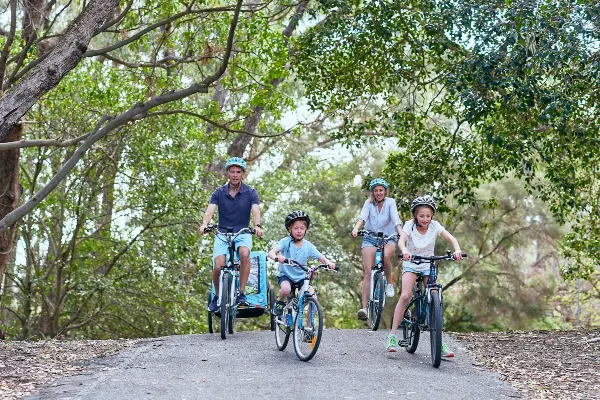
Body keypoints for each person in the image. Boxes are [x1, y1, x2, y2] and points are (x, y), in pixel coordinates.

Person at [385, 195, 463, 358]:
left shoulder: (435, 226)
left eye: (428, 216)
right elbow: (402, 241)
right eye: (422, 216)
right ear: (415, 215)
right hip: (411, 262)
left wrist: (456, 250)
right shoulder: (409, 226)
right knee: (406, 295)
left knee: (435, 298)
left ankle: (440, 343)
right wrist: (405, 251)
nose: (425, 219)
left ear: (432, 215)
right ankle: (392, 336)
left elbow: (451, 238)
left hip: (428, 263)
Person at [200, 157, 263, 312]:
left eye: (238, 172)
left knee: (244, 255)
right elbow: (210, 211)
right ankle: (217, 296)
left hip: (242, 232)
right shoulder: (218, 192)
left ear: (242, 174)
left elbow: (255, 211)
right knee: (218, 265)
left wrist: (257, 226)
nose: (235, 175)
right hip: (222, 232)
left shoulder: (250, 192)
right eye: (232, 172)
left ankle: (241, 293)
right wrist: (204, 224)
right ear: (227, 173)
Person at [351, 178, 403, 320]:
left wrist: (401, 232)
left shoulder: (390, 202)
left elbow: (396, 219)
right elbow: (362, 218)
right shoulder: (368, 204)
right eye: (376, 191)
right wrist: (356, 228)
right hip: (370, 237)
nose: (378, 193)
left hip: (389, 237)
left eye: (381, 190)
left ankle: (389, 284)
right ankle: (365, 309)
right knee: (368, 272)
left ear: (385, 191)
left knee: (385, 255)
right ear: (372, 193)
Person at [267, 210, 336, 316]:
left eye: (302, 228)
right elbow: (271, 253)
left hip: (301, 278)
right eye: (296, 228)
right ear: (289, 229)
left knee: (313, 298)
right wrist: (277, 257)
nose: (299, 231)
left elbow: (320, 257)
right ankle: (280, 302)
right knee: (285, 289)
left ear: (305, 230)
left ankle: (309, 328)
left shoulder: (308, 246)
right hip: (286, 276)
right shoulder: (285, 242)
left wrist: (328, 262)